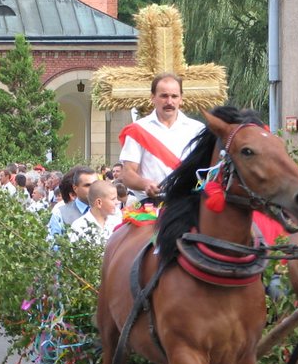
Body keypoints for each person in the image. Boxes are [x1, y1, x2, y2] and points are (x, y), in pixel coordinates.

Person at [117, 72, 205, 201]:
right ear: (153, 97)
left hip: (188, 203)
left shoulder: (198, 129)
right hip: (151, 205)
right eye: (164, 96)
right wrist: (145, 184)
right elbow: (127, 174)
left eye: (174, 96)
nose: (169, 101)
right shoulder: (138, 129)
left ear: (181, 98)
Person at [47, 167, 98, 238]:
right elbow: (53, 241)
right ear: (75, 188)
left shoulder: (109, 211)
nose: (93, 189)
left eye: (95, 185)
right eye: (87, 185)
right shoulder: (60, 213)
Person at [68, 180, 121, 244]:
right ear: (99, 202)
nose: (117, 202)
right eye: (113, 199)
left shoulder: (117, 221)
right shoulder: (79, 226)